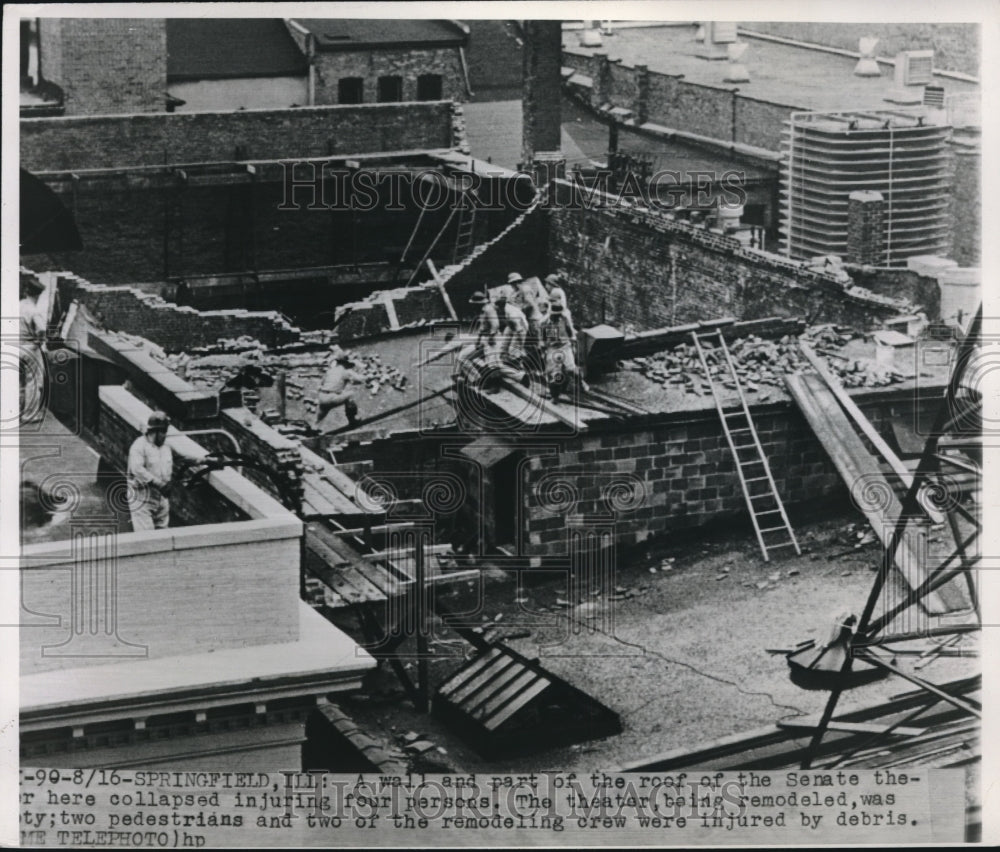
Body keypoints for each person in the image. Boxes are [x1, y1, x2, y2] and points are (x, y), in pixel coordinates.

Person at [127, 412, 173, 531]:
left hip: (161, 499)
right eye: (163, 432)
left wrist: (206, 460)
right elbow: (137, 469)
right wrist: (159, 483)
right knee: (147, 539)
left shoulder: (165, 446)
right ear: (155, 432)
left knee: (164, 537)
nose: (165, 435)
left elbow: (182, 456)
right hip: (142, 499)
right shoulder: (139, 446)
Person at [19, 272, 47, 422]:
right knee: (33, 381)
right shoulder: (33, 310)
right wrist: (39, 340)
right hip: (30, 348)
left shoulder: (18, 305)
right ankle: (29, 414)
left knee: (18, 381)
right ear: (38, 295)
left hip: (14, 346)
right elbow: (42, 328)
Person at [317, 346, 364, 429]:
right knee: (351, 395)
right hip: (332, 397)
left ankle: (315, 428)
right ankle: (352, 420)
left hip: (322, 397)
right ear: (345, 363)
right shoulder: (346, 372)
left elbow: (322, 383)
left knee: (321, 415)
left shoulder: (330, 371)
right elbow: (360, 380)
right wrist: (371, 376)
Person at [541, 301, 579, 400]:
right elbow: (542, 338)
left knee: (571, 369)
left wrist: (573, 342)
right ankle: (555, 396)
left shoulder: (565, 319)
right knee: (555, 374)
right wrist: (543, 349)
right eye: (555, 315)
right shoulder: (544, 322)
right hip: (552, 348)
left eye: (559, 315)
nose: (557, 317)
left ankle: (579, 382)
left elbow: (571, 332)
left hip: (565, 345)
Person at [544, 273, 576, 337]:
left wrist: (547, 300)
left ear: (551, 284)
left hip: (559, 314)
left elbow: (554, 306)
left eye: (547, 284)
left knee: (544, 323)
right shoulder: (558, 290)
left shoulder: (555, 291)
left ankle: (548, 341)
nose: (546, 286)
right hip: (561, 313)